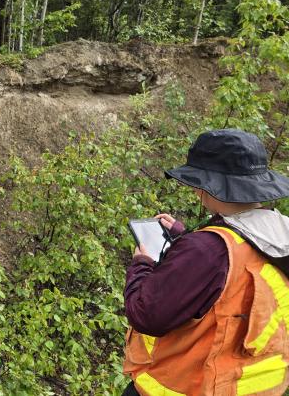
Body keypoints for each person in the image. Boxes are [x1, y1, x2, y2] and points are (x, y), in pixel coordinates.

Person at [123, 129, 289, 395]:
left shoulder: (206, 251)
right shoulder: (280, 234)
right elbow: (237, 271)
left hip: (189, 386)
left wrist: (141, 264)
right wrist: (184, 236)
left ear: (205, 188)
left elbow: (146, 314)